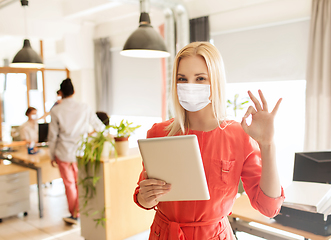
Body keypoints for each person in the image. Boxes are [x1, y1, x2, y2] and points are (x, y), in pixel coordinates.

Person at [133, 42, 285, 239]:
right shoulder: (158, 133)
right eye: (182, 79)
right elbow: (143, 197)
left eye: (200, 78)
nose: (190, 86)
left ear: (215, 82)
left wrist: (268, 144)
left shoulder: (239, 136)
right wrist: (145, 197)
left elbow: (269, 207)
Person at [48, 78, 104, 225]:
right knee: (81, 183)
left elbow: (52, 136)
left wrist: (51, 154)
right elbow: (99, 126)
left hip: (63, 153)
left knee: (69, 184)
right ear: (74, 92)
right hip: (81, 152)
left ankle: (74, 214)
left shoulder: (56, 110)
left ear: (61, 93)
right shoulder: (84, 107)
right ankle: (80, 212)